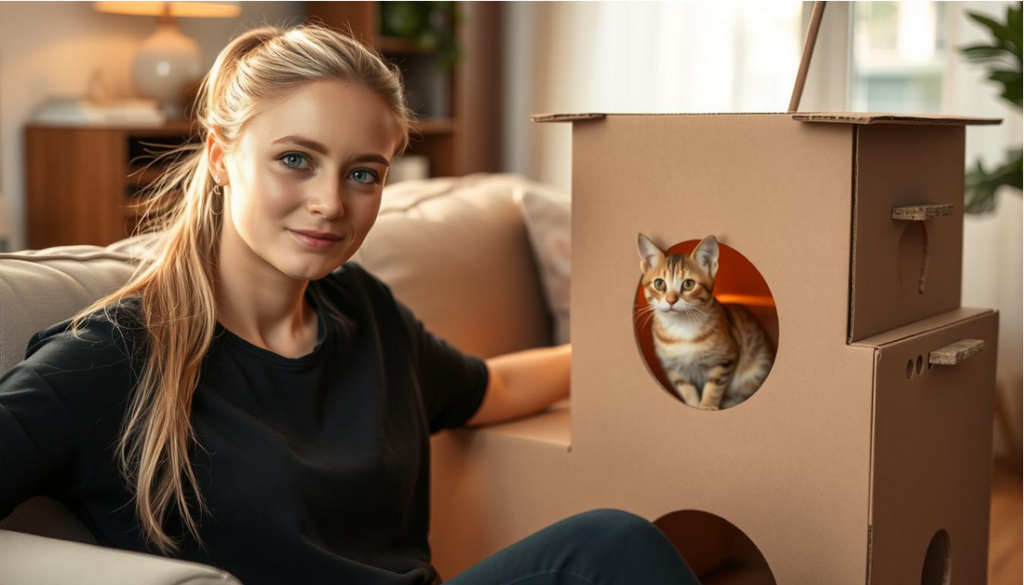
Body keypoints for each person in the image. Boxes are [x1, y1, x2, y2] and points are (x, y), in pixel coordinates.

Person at [0, 23, 700, 585]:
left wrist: (645, 343)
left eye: (363, 173)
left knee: (610, 544)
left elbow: (492, 386)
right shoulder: (112, 354)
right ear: (220, 156)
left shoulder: (360, 311)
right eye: (296, 159)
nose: (331, 203)